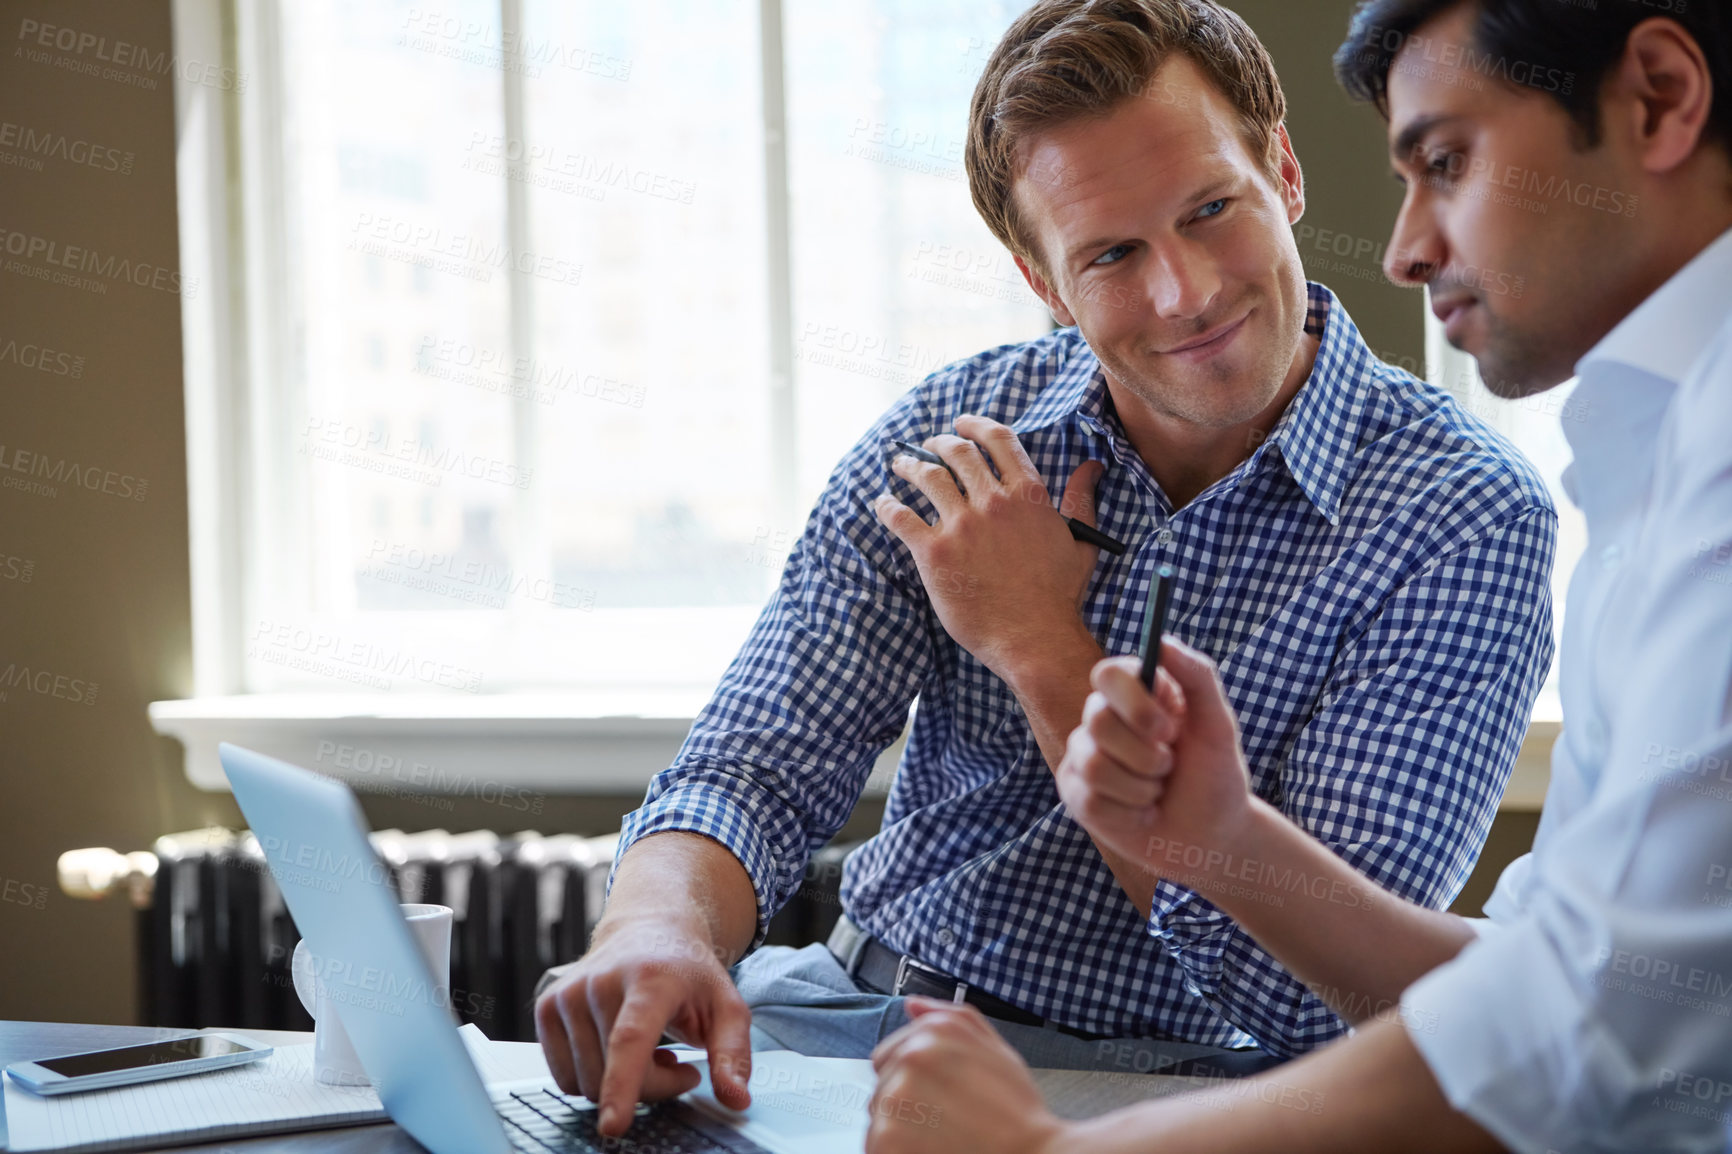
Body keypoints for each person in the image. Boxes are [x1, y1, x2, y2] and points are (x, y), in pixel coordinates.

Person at [535, 0, 1560, 1138]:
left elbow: (1306, 996)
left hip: (1178, 1091)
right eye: (1112, 253)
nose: (1185, 292)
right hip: (843, 1019)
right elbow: (752, 765)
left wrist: (1037, 641)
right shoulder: (959, 426)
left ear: (1283, 170)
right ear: (1041, 277)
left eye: (1211, 210)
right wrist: (653, 930)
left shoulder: (1461, 515)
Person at [864, 0, 1732, 1151]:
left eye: (1445, 161)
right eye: (1113, 251)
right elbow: (1533, 981)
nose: (1405, 247)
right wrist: (1220, 835)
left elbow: (1582, 1042)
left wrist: (1053, 1153)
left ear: (1659, 100)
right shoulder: (1657, 461)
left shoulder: (1645, 485)